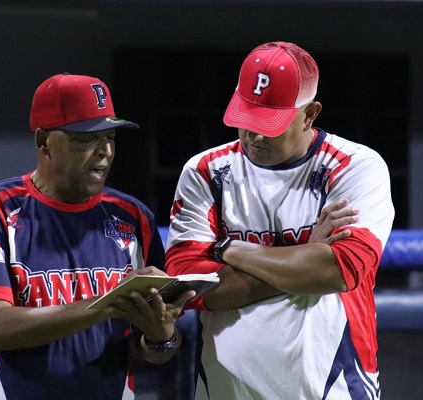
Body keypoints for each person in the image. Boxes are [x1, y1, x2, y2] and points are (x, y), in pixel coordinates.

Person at [165, 41, 394, 399]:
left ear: (309, 114)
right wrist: (307, 253)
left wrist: (228, 250)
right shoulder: (205, 171)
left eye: (268, 123)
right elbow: (190, 287)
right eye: (246, 117)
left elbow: (339, 271)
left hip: (333, 385)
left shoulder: (356, 166)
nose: (253, 134)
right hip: (226, 387)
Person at [0, 73, 194, 400]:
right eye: (85, 139)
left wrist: (160, 335)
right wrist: (108, 304)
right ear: (43, 140)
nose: (104, 150)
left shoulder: (134, 216)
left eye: (110, 137)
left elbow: (155, 349)